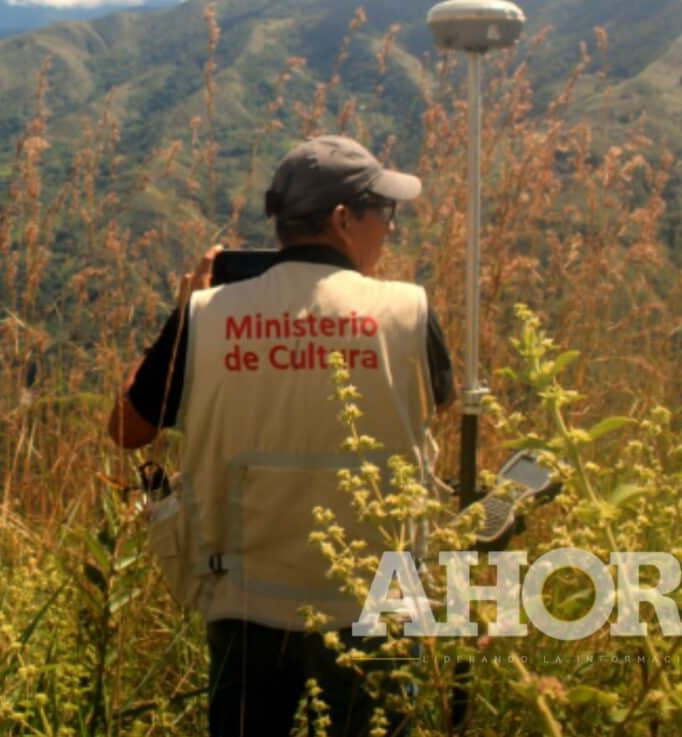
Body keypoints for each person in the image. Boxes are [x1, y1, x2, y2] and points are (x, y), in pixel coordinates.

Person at [105, 135, 454, 736]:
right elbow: (440, 405)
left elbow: (126, 429)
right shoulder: (408, 310)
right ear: (343, 220)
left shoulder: (208, 315)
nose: (390, 228)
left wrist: (184, 313)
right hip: (378, 598)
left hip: (245, 598)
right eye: (383, 212)